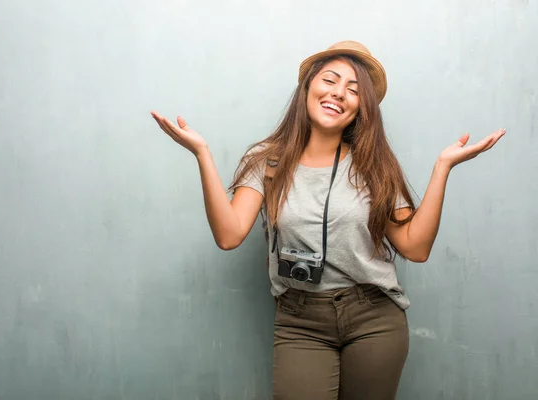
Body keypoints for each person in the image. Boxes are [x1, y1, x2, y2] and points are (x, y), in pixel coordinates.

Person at [150, 40, 505, 400]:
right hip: (299, 319)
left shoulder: (373, 166)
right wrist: (202, 154)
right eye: (330, 80)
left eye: (353, 90)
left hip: (374, 317)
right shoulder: (267, 161)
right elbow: (228, 235)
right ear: (308, 87)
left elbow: (416, 247)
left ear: (361, 108)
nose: (339, 94)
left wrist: (442, 168)